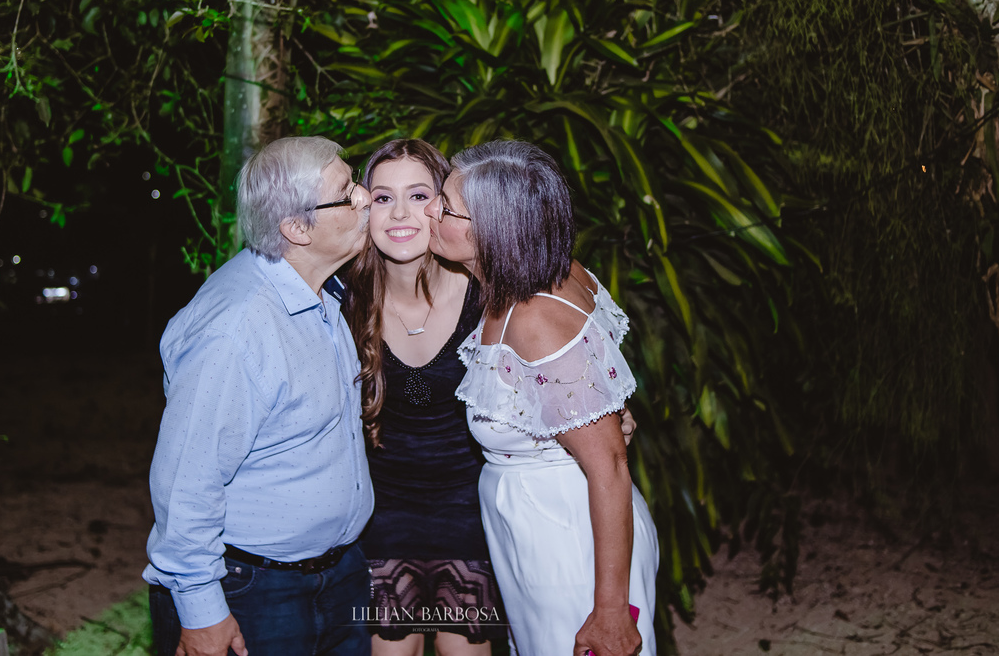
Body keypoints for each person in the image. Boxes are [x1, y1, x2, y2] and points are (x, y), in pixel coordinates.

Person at [424, 140, 660, 656]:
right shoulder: (552, 270)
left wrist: (610, 611)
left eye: (445, 208)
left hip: (570, 541)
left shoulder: (534, 319)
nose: (430, 213)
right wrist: (614, 411)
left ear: (495, 229)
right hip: (539, 530)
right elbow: (590, 380)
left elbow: (609, 467)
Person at [144, 135, 375, 656]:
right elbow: (186, 482)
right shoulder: (235, 329)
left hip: (337, 573)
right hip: (252, 589)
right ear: (296, 228)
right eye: (347, 193)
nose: (365, 198)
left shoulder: (321, 292)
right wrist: (201, 611)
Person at [343, 139, 507, 656]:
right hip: (382, 515)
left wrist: (605, 407)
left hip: (472, 513)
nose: (400, 214)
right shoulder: (341, 300)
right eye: (383, 197)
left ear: (444, 206)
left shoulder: (489, 295)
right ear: (364, 208)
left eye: (418, 195)